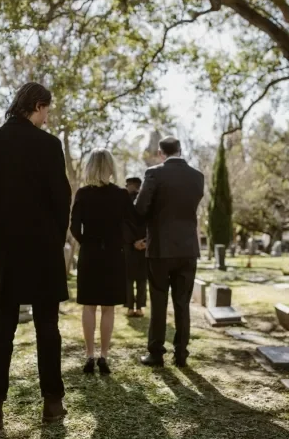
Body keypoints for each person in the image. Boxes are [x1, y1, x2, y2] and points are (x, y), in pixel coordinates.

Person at [0, 82, 71, 430]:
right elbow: (61, 200)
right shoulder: (48, 146)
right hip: (43, 247)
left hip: (5, 248)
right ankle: (52, 404)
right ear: (37, 105)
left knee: (3, 326)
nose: (47, 118)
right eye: (47, 110)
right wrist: (54, 237)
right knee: (48, 325)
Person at [136, 136, 204, 368]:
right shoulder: (198, 176)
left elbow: (141, 207)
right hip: (187, 249)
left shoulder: (154, 173)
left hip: (160, 249)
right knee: (182, 303)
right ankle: (181, 354)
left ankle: (156, 354)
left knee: (158, 301)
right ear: (180, 150)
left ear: (160, 152)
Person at [70, 149, 137, 375]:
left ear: (90, 167)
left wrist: (85, 242)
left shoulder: (82, 194)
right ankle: (104, 357)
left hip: (89, 254)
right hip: (113, 255)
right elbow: (133, 222)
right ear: (110, 167)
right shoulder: (121, 195)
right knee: (108, 308)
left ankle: (89, 355)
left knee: (89, 306)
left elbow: (74, 227)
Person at [124, 176, 147, 317]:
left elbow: (123, 225)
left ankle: (130, 308)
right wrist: (144, 241)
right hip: (144, 245)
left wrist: (132, 242)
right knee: (142, 279)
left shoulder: (123, 202)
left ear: (131, 185)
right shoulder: (146, 201)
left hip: (128, 245)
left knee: (128, 278)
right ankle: (139, 308)